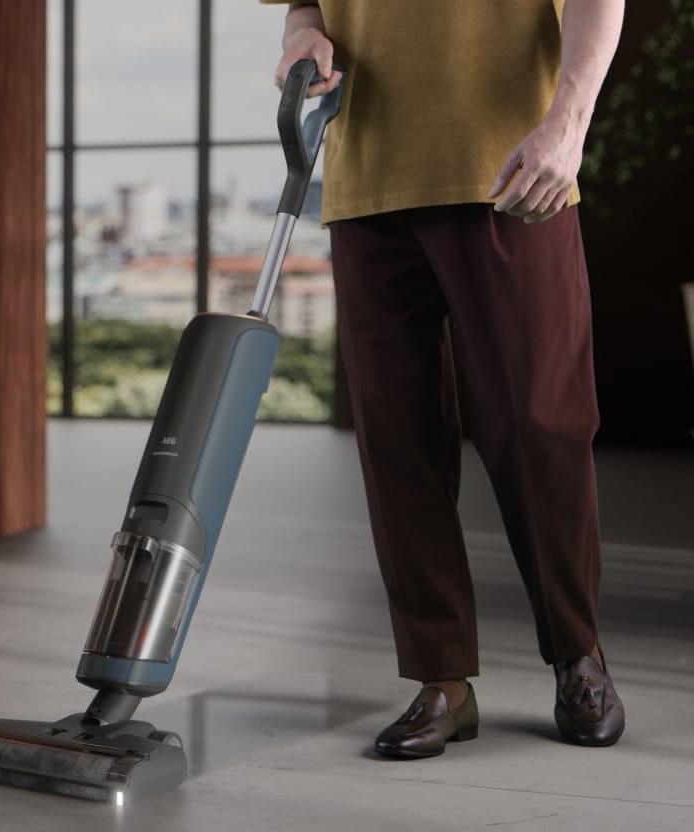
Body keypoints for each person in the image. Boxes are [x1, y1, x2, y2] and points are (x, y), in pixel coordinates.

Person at [262, 0, 626, 758]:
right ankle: (441, 678)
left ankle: (578, 655)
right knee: (398, 438)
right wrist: (304, 36)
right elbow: (304, 4)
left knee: (539, 424)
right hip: (367, 171)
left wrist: (570, 122)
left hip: (512, 161)